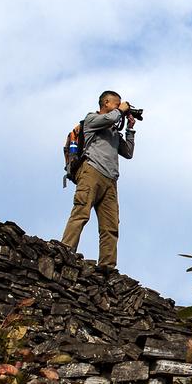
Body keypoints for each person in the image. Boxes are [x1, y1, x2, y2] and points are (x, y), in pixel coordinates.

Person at [61, 90, 136, 268]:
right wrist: (120, 111)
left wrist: (130, 128)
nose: (121, 108)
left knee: (110, 227)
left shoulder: (112, 130)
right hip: (91, 171)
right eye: (117, 104)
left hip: (110, 180)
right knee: (81, 213)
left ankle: (107, 267)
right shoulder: (91, 119)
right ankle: (64, 251)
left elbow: (128, 153)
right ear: (106, 103)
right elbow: (109, 119)